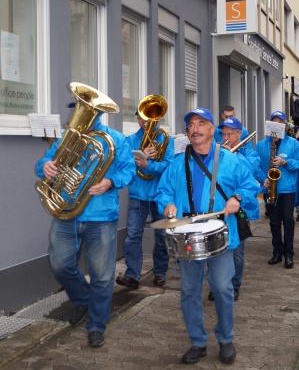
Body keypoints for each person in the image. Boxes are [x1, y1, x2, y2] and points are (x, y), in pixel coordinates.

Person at [155, 107, 259, 365]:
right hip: (189, 236)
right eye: (191, 124)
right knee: (189, 290)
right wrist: (167, 205)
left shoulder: (230, 159)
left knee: (223, 287)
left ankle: (225, 338)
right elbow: (163, 191)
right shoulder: (178, 162)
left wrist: (237, 198)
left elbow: (250, 186)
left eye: (201, 123)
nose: (195, 128)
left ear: (214, 129)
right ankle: (197, 341)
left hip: (222, 234)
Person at [35, 104, 136, 348]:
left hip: (101, 218)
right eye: (77, 111)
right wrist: (44, 167)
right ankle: (83, 301)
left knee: (102, 275)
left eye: (85, 111)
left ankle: (97, 324)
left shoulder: (115, 139)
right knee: (60, 265)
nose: (77, 116)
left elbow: (129, 171)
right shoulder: (67, 138)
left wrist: (110, 182)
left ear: (99, 114)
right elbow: (45, 163)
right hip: (66, 213)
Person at [116, 110, 174, 289]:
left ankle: (160, 272)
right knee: (133, 236)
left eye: (149, 117)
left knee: (162, 236)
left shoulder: (166, 139)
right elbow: (122, 165)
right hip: (137, 195)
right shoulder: (131, 140)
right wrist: (139, 158)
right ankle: (132, 275)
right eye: (141, 117)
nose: (145, 121)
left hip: (159, 195)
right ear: (137, 119)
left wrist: (149, 165)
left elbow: (169, 167)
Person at [207, 117, 264, 302]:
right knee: (215, 248)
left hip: (241, 209)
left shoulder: (250, 155)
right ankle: (216, 285)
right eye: (223, 134)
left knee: (237, 252)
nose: (225, 137)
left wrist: (234, 155)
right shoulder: (217, 153)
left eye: (229, 134)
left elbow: (253, 180)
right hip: (219, 207)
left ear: (239, 134)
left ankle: (234, 285)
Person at [255, 111, 299, 269]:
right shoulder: (261, 145)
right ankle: (277, 252)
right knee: (274, 222)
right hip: (270, 189)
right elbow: (256, 165)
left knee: (288, 220)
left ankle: (289, 255)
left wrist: (285, 162)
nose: (277, 125)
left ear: (285, 125)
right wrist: (263, 179)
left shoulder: (294, 143)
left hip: (287, 188)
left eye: (280, 122)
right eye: (274, 122)